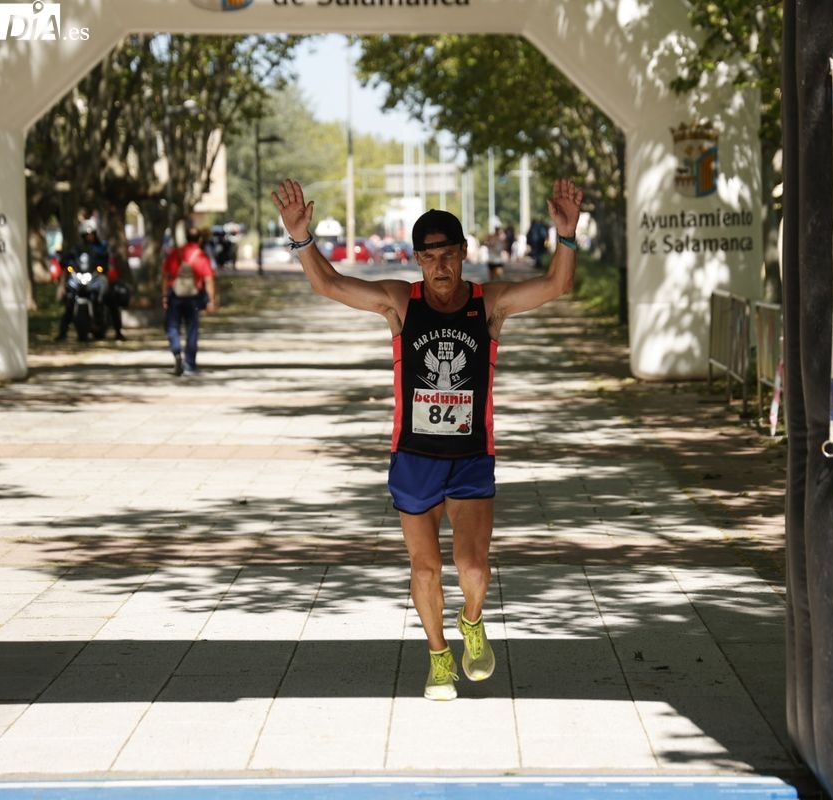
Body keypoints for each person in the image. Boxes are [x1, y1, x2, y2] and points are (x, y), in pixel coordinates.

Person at [271, 176, 584, 700]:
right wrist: (301, 238)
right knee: (426, 566)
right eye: (429, 257)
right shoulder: (401, 302)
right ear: (418, 259)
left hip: (471, 456)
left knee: (474, 568)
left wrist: (567, 236)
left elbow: (557, 285)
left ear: (463, 253)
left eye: (448, 255)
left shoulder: (488, 304)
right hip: (414, 458)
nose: (440, 266)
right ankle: (439, 657)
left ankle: (472, 620)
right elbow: (329, 285)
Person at [161, 225, 216, 376]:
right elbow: (208, 280)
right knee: (192, 330)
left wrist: (164, 296)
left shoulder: (175, 253)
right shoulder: (202, 256)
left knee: (172, 326)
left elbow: (165, 276)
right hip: (193, 297)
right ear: (200, 239)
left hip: (175, 296)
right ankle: (190, 364)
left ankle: (176, 351)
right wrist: (211, 300)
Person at [55, 218, 112, 342]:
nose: (89, 237)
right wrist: (67, 264)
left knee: (105, 298)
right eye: (87, 235)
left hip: (94, 278)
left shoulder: (101, 248)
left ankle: (110, 327)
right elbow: (68, 258)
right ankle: (63, 332)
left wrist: (102, 267)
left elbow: (106, 261)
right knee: (70, 301)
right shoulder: (78, 248)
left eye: (91, 234)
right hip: (79, 277)